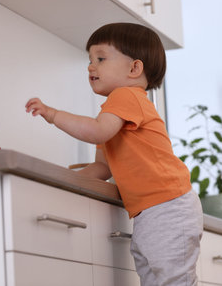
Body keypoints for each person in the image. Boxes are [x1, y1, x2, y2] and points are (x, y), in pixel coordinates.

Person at [25, 22, 203, 286]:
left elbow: (96, 131)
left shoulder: (125, 97)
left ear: (134, 69)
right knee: (157, 279)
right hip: (154, 208)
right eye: (90, 60)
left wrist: (53, 115)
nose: (90, 66)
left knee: (171, 280)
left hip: (167, 206)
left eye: (100, 58)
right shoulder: (113, 114)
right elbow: (102, 167)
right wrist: (63, 181)